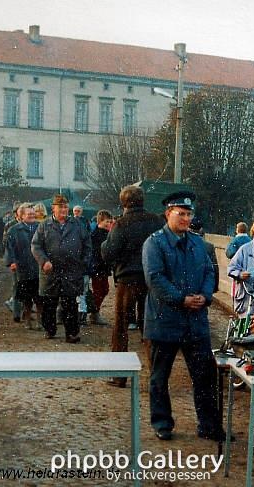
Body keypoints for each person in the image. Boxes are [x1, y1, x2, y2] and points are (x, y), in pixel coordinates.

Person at [142, 190, 223, 442]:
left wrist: (205, 296)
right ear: (168, 213)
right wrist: (181, 299)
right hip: (165, 320)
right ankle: (162, 423)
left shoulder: (199, 244)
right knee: (159, 376)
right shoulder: (154, 243)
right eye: (181, 214)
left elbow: (210, 272)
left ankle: (209, 425)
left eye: (189, 214)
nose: (186, 219)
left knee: (205, 376)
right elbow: (155, 278)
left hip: (195, 322)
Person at [101, 185, 164, 387]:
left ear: (123, 202)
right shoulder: (156, 221)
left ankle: (119, 375)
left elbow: (109, 252)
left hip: (127, 281)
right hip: (152, 281)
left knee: (120, 327)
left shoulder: (121, 224)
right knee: (150, 327)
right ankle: (157, 376)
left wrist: (105, 243)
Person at [31, 194, 92, 343]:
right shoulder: (44, 225)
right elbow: (35, 245)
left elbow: (87, 246)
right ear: (53, 208)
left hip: (71, 271)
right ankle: (50, 329)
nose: (64, 209)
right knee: (49, 304)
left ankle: (71, 333)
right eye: (61, 207)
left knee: (70, 304)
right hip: (50, 272)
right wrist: (44, 261)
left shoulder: (78, 225)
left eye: (66, 206)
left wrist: (82, 264)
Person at [5, 203, 42, 330]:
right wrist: (12, 262)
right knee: (26, 296)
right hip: (23, 267)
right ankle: (27, 319)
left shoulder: (40, 227)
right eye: (28, 214)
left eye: (33, 213)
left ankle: (40, 321)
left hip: (38, 266)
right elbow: (10, 248)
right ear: (21, 216)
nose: (32, 216)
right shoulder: (14, 230)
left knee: (39, 296)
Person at [88, 210, 113, 325]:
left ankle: (94, 311)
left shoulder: (106, 234)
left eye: (110, 221)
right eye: (107, 221)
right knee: (100, 290)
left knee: (103, 289)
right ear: (100, 221)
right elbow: (96, 252)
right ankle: (94, 312)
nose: (109, 223)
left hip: (102, 267)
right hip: (98, 267)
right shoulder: (96, 235)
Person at [189, 217, 219, 293]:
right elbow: (214, 268)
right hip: (203, 286)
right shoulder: (209, 246)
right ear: (201, 230)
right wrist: (215, 287)